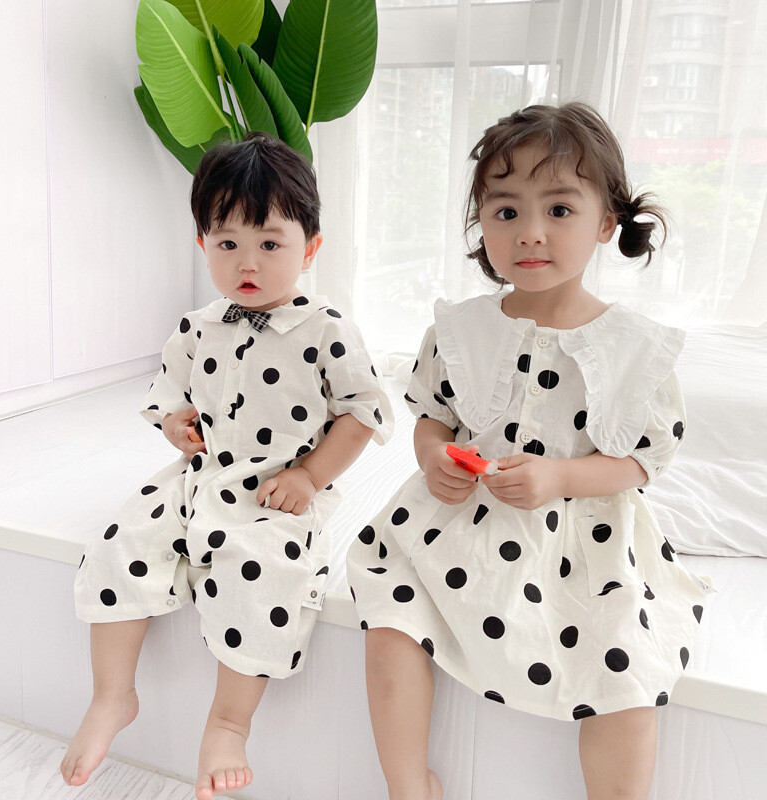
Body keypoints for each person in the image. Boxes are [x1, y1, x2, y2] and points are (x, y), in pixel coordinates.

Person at [346, 102, 711, 800]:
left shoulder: (634, 348)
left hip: (584, 537)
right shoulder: (459, 330)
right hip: (460, 526)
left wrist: (561, 475)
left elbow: (643, 460)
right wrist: (433, 458)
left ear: (606, 222)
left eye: (560, 210)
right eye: (506, 210)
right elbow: (433, 416)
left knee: (625, 665)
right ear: (481, 223)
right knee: (390, 617)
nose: (530, 232)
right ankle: (408, 785)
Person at [61, 132, 393, 799]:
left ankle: (228, 724)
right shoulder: (197, 327)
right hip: (201, 478)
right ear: (202, 244)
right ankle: (111, 696)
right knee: (121, 543)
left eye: (270, 243)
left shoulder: (326, 329)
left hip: (277, 488)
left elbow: (363, 412)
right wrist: (175, 425)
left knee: (261, 570)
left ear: (310, 248)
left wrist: (310, 476)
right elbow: (168, 396)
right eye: (227, 242)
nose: (248, 262)